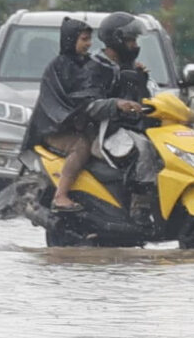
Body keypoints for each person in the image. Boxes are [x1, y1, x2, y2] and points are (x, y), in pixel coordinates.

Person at [23, 15, 142, 211]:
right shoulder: (59, 66)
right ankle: (60, 195)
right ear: (71, 40)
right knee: (81, 146)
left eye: (89, 39)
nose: (88, 44)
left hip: (78, 125)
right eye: (83, 39)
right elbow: (79, 101)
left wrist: (137, 75)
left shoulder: (87, 63)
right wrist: (113, 104)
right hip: (55, 128)